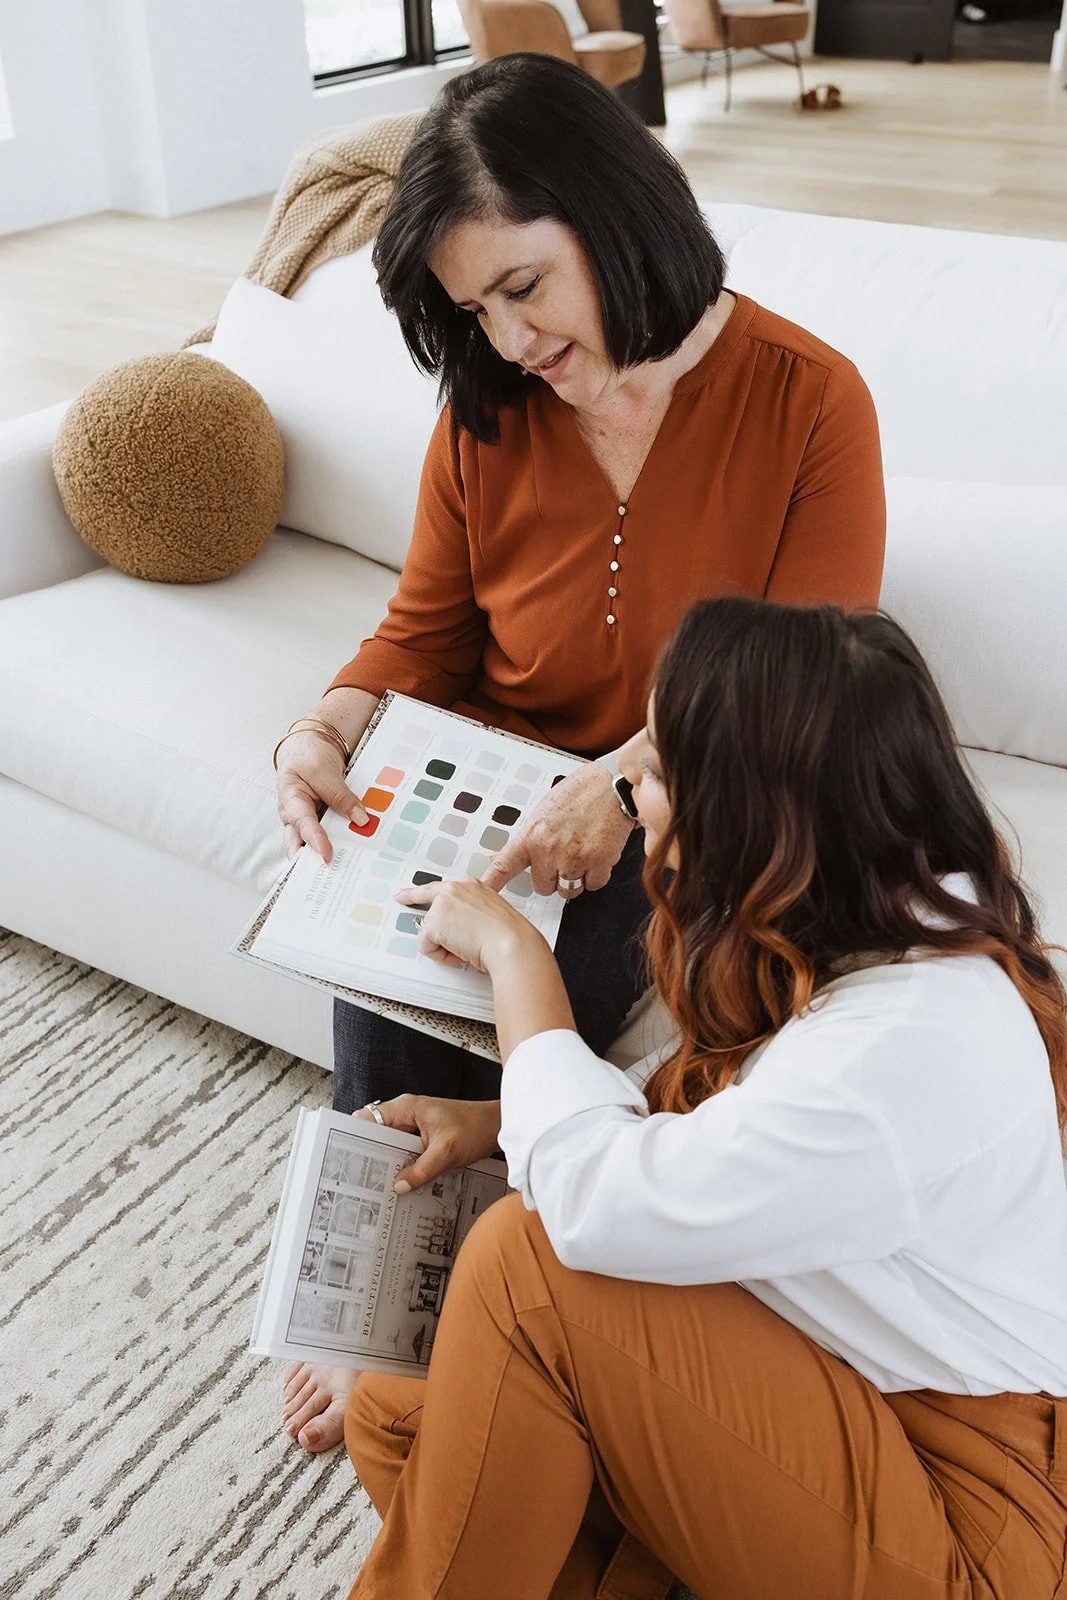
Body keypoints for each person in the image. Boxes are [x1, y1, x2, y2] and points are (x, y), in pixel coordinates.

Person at [277, 52, 884, 1449]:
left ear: (613, 221)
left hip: (702, 793)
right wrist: (320, 731)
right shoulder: (485, 412)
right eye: (470, 308)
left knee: (564, 945)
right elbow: (418, 636)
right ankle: (385, 1282)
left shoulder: (807, 401)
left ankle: (486, 1285)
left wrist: (623, 782)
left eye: (522, 288)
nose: (504, 341)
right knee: (397, 919)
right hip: (492, 783)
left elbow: (790, 681)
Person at [337, 596, 1067, 1600]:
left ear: (749, 816)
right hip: (844, 1392)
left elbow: (596, 1209)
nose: (626, 783)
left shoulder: (909, 1042)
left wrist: (517, 958)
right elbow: (723, 1131)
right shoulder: (866, 913)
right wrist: (497, 1125)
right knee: (396, 1409)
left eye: (657, 771)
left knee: (525, 1271)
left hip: (961, 1519)